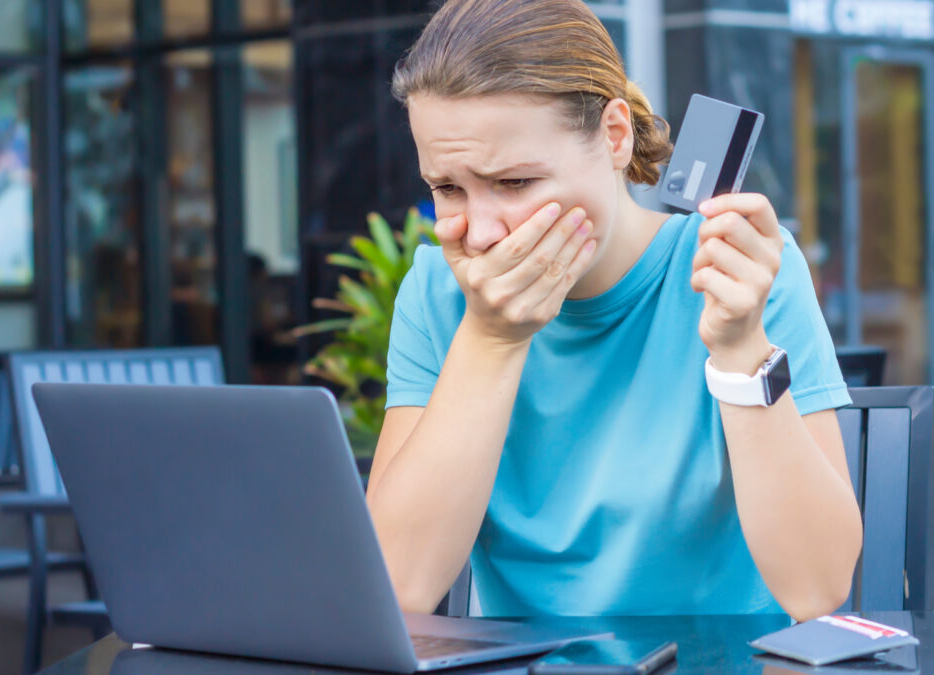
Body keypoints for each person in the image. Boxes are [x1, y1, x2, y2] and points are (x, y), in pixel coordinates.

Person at [364, 0, 862, 622]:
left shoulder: (738, 269)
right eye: (447, 188)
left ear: (615, 136)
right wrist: (492, 340)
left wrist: (740, 350)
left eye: (516, 183)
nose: (485, 231)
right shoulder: (438, 293)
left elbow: (818, 589)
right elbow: (395, 586)